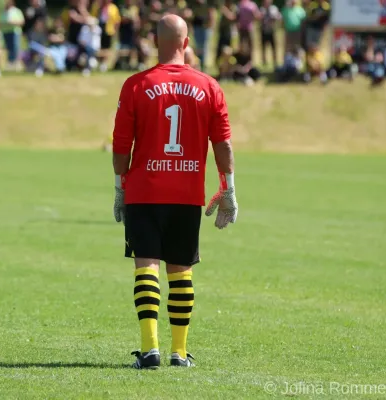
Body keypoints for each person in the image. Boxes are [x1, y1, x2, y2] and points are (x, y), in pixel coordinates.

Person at [112, 14, 238, 370]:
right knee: (181, 269)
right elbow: (223, 145)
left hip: (143, 192)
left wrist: (120, 186)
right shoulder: (209, 86)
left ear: (155, 41)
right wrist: (228, 188)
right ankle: (179, 353)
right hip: (186, 193)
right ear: (186, 43)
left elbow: (121, 147)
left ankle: (149, 349)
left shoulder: (136, 84)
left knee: (146, 264)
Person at [90, 0, 121, 72]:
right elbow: (92, 17)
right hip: (98, 29)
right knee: (98, 46)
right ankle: (97, 62)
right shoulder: (97, 6)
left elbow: (117, 20)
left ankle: (103, 64)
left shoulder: (113, 8)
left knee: (106, 47)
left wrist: (116, 31)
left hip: (108, 30)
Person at [0, 0, 25, 70]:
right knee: (9, 48)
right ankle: (10, 63)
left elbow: (22, 22)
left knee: (15, 47)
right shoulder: (3, 12)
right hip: (5, 32)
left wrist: (13, 22)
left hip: (15, 32)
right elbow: (0, 23)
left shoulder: (17, 11)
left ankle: (16, 63)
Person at [191, 0, 215, 72]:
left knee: (203, 48)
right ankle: (197, 65)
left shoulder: (208, 4)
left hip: (204, 28)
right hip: (197, 27)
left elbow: (211, 15)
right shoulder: (194, 4)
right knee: (198, 47)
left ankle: (202, 66)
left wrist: (210, 25)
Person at [259, 0, 280, 68]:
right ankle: (264, 61)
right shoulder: (262, 9)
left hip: (271, 30)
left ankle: (275, 61)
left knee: (273, 47)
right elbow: (258, 18)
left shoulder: (274, 9)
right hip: (264, 30)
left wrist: (274, 17)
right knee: (263, 47)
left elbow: (279, 17)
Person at [216, 0, 237, 65]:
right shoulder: (223, 7)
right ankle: (219, 66)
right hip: (222, 33)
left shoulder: (233, 8)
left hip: (228, 34)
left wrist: (225, 11)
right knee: (219, 51)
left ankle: (228, 66)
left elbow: (232, 17)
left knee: (228, 51)